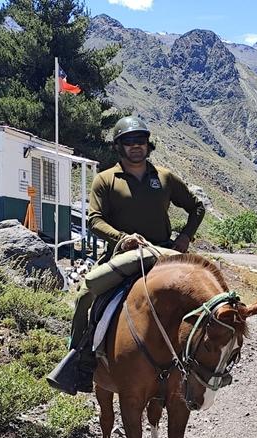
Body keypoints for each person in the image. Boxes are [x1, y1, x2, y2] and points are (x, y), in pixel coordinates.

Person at [47, 115, 206, 395]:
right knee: (86, 296)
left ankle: (204, 362)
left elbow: (197, 207)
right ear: (118, 146)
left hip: (162, 253)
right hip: (122, 254)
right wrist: (122, 238)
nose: (136, 145)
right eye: (129, 141)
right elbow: (94, 220)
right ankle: (79, 361)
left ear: (148, 144)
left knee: (204, 297)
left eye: (140, 140)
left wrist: (185, 237)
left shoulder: (165, 177)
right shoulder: (105, 180)